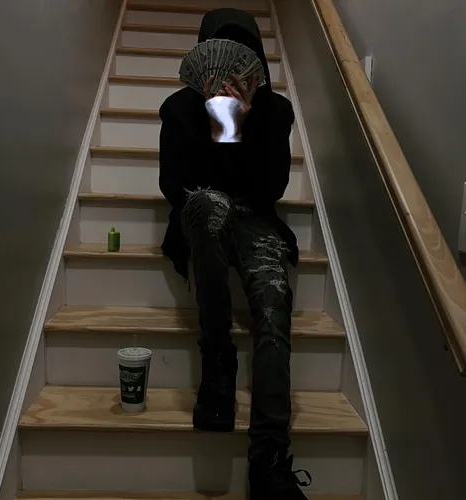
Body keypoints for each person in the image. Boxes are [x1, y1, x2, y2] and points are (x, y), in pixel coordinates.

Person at [158, 8, 311, 500]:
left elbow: (270, 189)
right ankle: (218, 359)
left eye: (242, 59)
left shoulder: (274, 111)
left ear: (256, 65)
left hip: (255, 218)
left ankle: (269, 456)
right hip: (202, 214)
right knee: (210, 204)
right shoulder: (179, 108)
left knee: (272, 303)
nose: (229, 74)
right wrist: (212, 127)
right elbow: (174, 187)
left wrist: (236, 130)